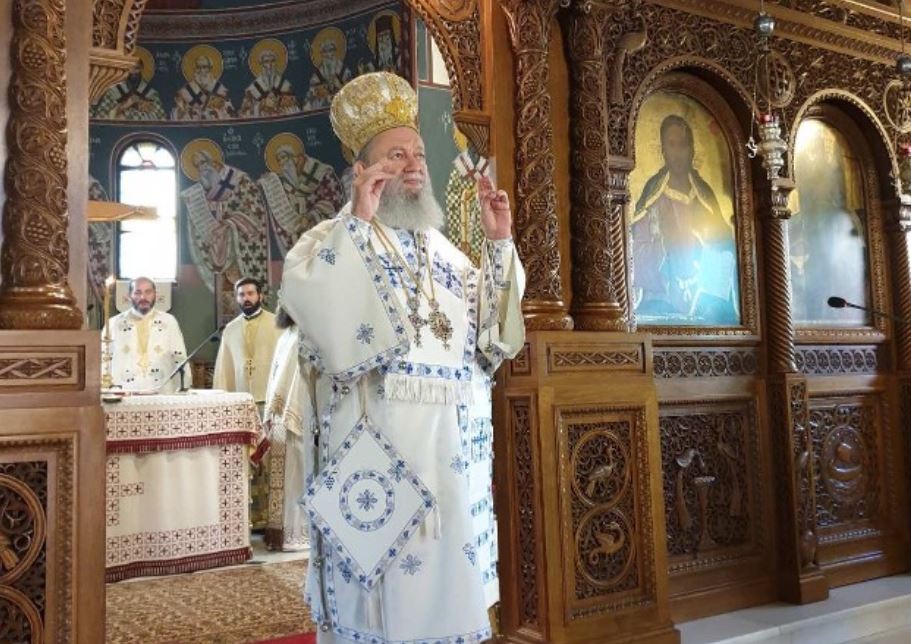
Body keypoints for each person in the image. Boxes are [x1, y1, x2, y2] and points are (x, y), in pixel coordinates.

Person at [280, 71, 524, 643]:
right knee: (381, 596)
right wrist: (358, 222)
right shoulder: (330, 239)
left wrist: (498, 243)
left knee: (446, 585)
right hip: (377, 451)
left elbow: (495, 340)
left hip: (447, 453)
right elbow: (313, 307)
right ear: (363, 171)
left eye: (418, 154)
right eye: (396, 155)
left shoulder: (447, 253)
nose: (415, 164)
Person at [631, 114, 738, 324]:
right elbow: (636, 248)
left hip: (706, 298)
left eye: (683, 145)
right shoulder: (653, 194)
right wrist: (663, 244)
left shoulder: (704, 194)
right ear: (663, 151)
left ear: (692, 150)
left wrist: (708, 243)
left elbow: (725, 247)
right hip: (661, 297)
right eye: (672, 145)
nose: (678, 153)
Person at [260, 307, 310, 551]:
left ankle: (297, 534)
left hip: (295, 415)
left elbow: (301, 378)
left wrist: (288, 410)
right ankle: (282, 533)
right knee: (284, 477)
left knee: (297, 475)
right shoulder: (287, 335)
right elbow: (275, 375)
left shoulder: (307, 334)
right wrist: (270, 412)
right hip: (281, 417)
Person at [108, 277, 191, 393]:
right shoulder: (114, 323)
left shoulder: (169, 321)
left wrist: (185, 384)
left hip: (162, 391)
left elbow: (179, 356)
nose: (143, 297)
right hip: (125, 391)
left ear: (155, 294)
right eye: (137, 293)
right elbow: (104, 359)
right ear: (129, 296)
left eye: (148, 292)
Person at [213, 277, 283, 408]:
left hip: (270, 397)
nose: (246, 298)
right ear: (237, 298)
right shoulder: (230, 329)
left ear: (260, 296)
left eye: (250, 293)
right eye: (241, 295)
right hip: (240, 398)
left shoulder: (277, 324)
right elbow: (224, 367)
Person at [271, 141, 345, 252]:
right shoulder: (287, 179)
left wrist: (311, 216)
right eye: (279, 160)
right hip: (300, 230)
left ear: (294, 157)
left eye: (283, 157)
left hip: (323, 223)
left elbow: (334, 200)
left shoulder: (321, 172)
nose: (282, 163)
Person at [239, 42, 299, 117]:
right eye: (266, 61)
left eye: (272, 61)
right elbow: (245, 110)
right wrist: (263, 104)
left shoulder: (284, 83)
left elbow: (294, 104)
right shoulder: (254, 87)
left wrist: (281, 102)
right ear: (262, 64)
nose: (270, 65)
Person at [172, 49, 235, 120]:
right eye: (198, 67)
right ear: (194, 69)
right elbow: (178, 115)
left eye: (204, 67)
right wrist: (183, 111)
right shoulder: (185, 91)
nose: (201, 71)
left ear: (210, 69)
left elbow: (228, 112)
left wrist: (216, 112)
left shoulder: (219, 88)